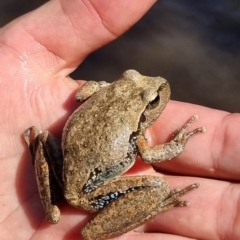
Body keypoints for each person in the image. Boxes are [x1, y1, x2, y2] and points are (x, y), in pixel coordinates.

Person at [0, 0, 239, 239]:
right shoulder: (137, 134)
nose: (157, 83)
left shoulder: (98, 91)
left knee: (43, 136)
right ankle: (103, 226)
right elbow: (148, 155)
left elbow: (83, 93)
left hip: (66, 172)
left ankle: (54, 210)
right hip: (90, 195)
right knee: (159, 187)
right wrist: (178, 144)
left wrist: (104, 87)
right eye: (154, 99)